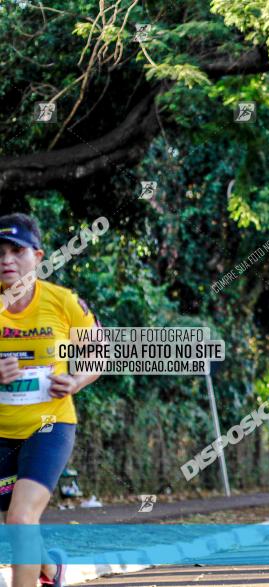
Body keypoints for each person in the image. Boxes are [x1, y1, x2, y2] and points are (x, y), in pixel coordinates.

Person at [0, 213, 102, 587]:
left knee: (21, 519)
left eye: (17, 251)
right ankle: (50, 568)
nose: (6, 260)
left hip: (50, 426)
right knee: (12, 521)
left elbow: (98, 353)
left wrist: (75, 380)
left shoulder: (63, 302)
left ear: (38, 257)